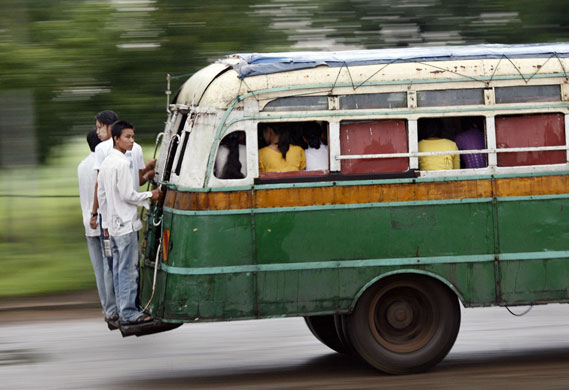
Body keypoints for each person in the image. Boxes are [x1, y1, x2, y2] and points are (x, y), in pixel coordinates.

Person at [97, 120, 161, 325]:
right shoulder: (123, 163)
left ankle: (123, 308)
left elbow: (102, 194)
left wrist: (105, 225)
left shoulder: (107, 162)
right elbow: (128, 195)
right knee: (128, 270)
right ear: (116, 139)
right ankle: (129, 312)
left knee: (118, 268)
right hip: (125, 224)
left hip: (114, 226)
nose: (131, 141)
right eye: (127, 137)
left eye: (133, 136)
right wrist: (152, 194)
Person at [78, 130, 118, 329]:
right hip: (102, 223)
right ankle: (113, 310)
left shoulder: (81, 166)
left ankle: (107, 309)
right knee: (109, 266)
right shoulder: (102, 163)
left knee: (98, 270)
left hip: (88, 224)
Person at [89, 110, 155, 230]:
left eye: (99, 127)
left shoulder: (101, 149)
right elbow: (138, 180)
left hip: (113, 216)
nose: (97, 132)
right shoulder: (137, 147)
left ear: (110, 126)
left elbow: (100, 185)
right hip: (131, 216)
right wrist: (148, 175)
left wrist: (94, 213)